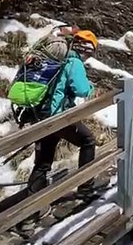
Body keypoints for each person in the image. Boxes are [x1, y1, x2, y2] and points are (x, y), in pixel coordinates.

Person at [20, 29, 99, 230]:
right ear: (86, 49)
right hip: (58, 117)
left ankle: (29, 215)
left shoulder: (57, 60)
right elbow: (81, 89)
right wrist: (90, 88)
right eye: (90, 53)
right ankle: (86, 188)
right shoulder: (74, 63)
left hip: (42, 116)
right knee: (88, 140)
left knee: (43, 163)